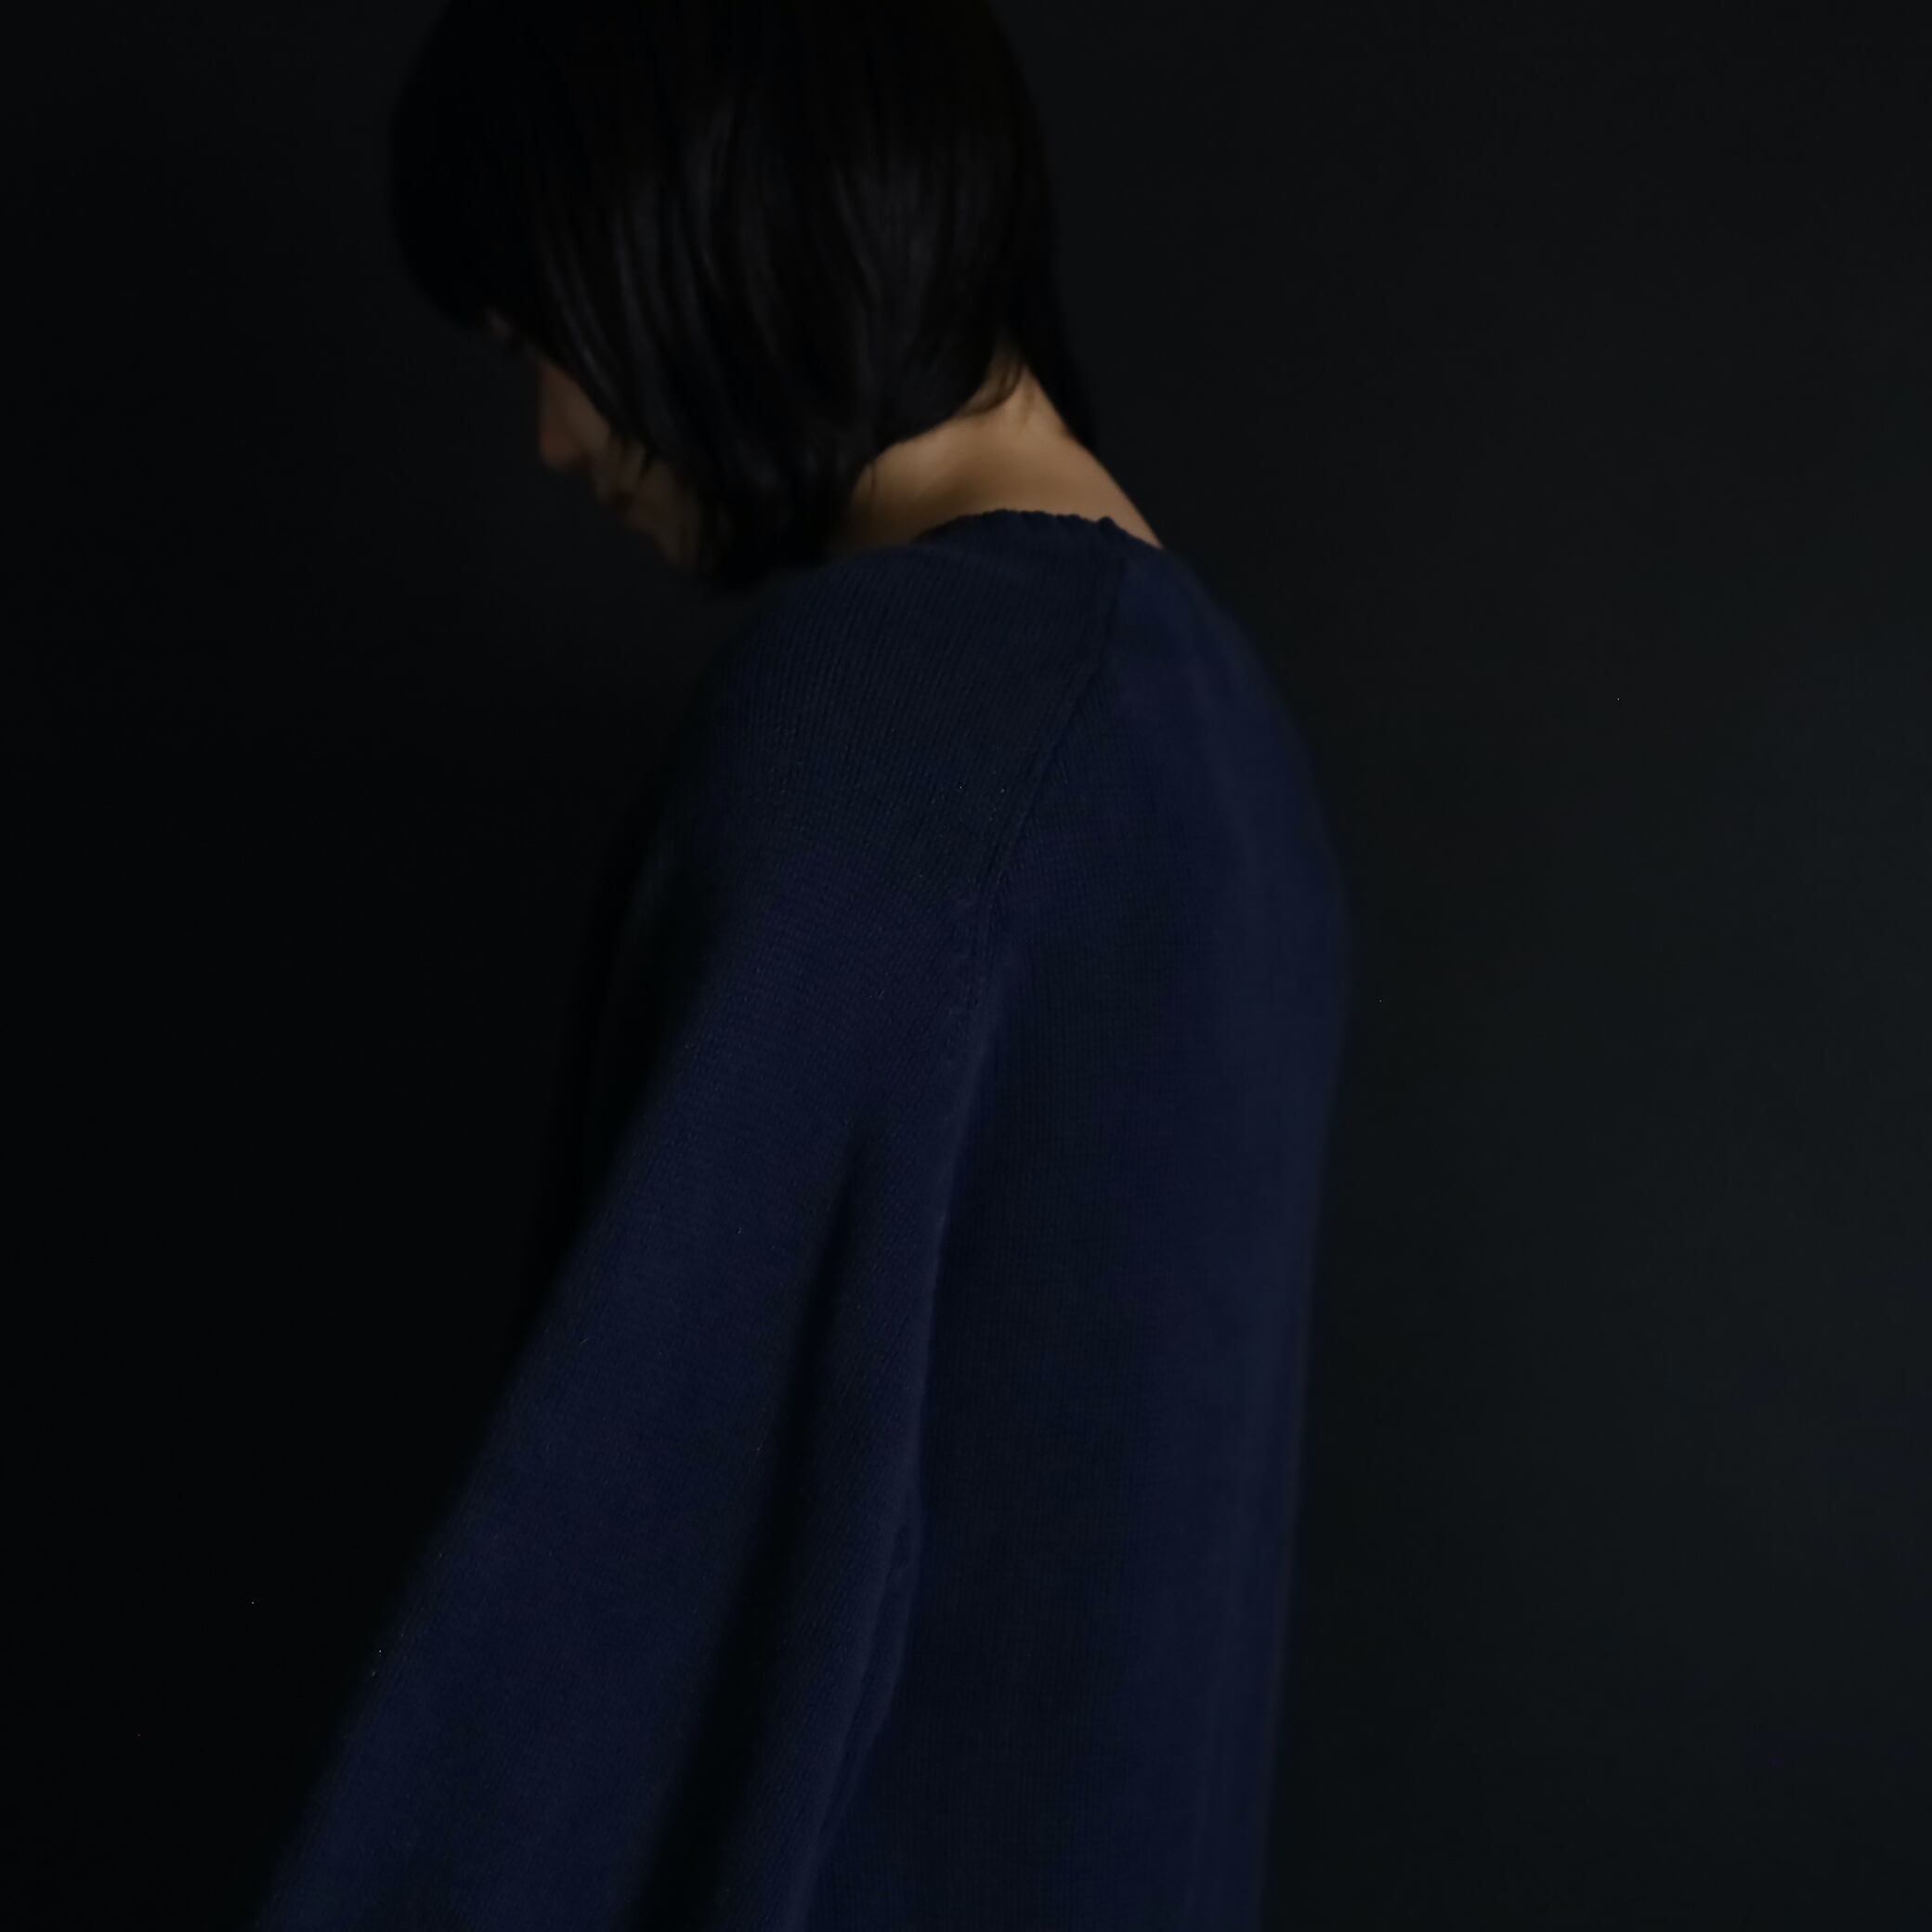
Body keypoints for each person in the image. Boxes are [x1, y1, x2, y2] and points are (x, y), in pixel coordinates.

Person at [248, 3, 1352, 1928]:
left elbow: (633, 1561)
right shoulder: (1233, 755)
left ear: (704, 229)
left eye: (536, 335)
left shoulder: (891, 710)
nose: (554, 435)